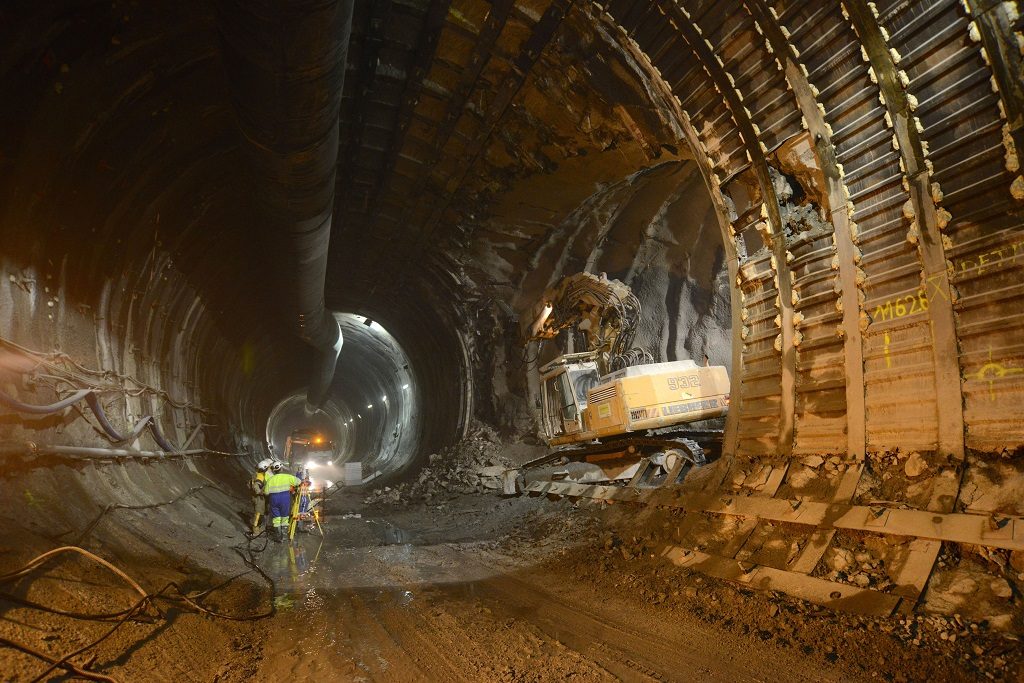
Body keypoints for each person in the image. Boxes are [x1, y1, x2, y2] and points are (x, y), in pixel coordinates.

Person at [264, 461, 301, 542]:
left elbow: (266, 492)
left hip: (273, 499)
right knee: (284, 517)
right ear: (281, 469)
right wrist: (299, 475)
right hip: (285, 498)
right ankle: (284, 537)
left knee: (276, 519)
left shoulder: (270, 479)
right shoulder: (287, 477)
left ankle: (278, 537)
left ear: (274, 470)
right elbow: (298, 482)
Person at [249, 458, 273, 535]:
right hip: (258, 498)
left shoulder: (258, 473)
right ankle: (255, 528)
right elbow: (256, 486)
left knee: (261, 512)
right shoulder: (260, 476)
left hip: (259, 497)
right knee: (258, 513)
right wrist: (261, 492)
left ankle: (258, 526)